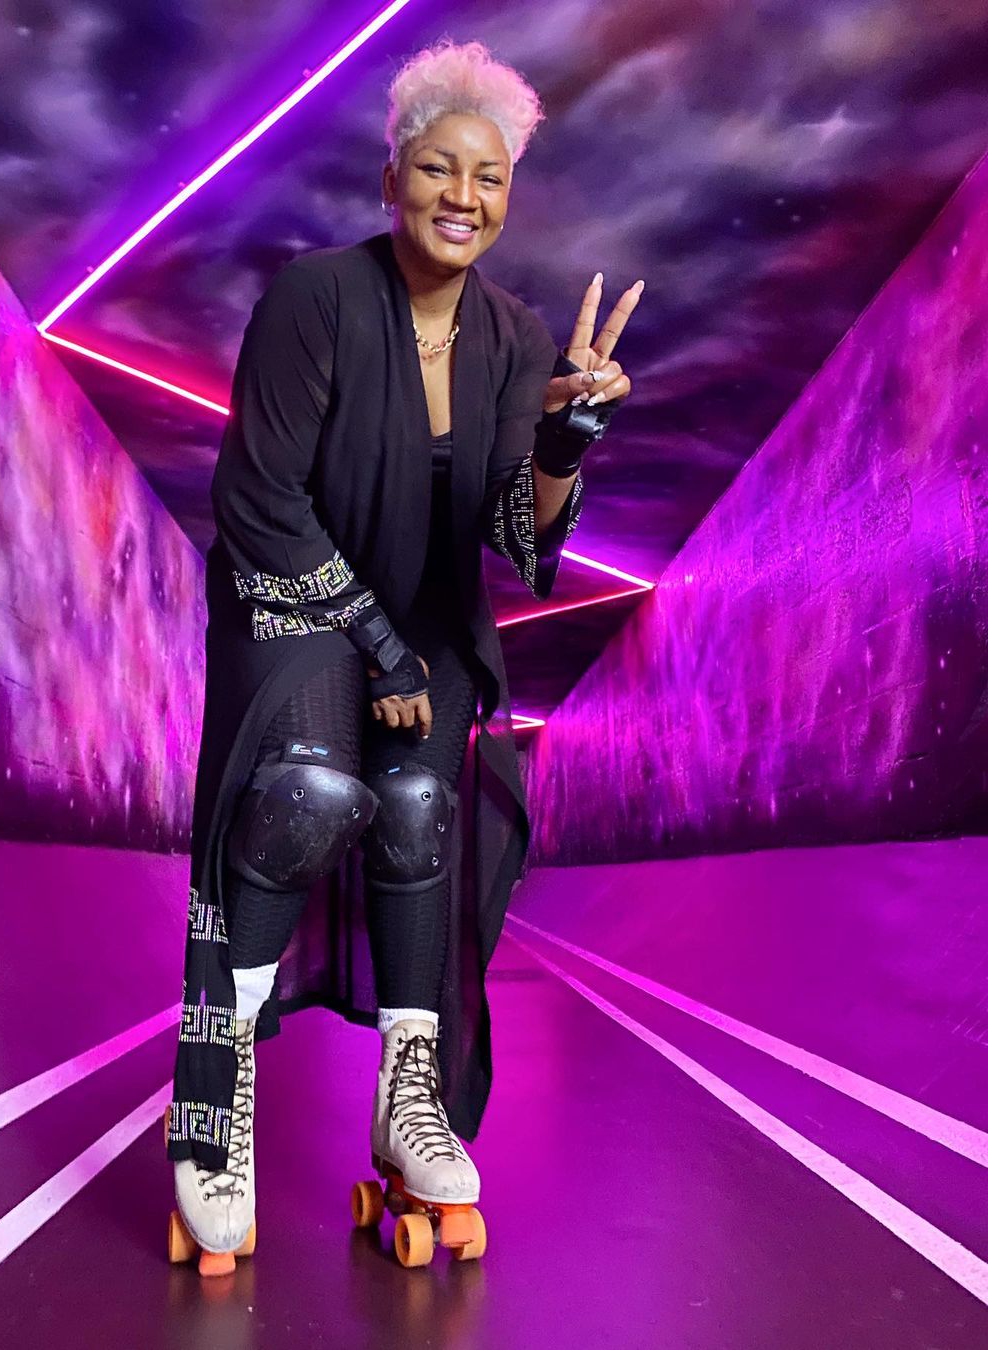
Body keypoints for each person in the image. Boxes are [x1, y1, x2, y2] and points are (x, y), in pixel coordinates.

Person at [166, 35, 642, 1265]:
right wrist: (377, 649)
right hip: (292, 600)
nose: (462, 196)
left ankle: (407, 1094)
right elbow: (260, 499)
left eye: (489, 177)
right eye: (438, 168)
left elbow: (511, 534)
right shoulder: (315, 299)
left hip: (426, 623)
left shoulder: (515, 340)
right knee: (310, 790)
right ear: (392, 180)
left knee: (422, 804)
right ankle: (218, 1088)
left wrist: (566, 444)